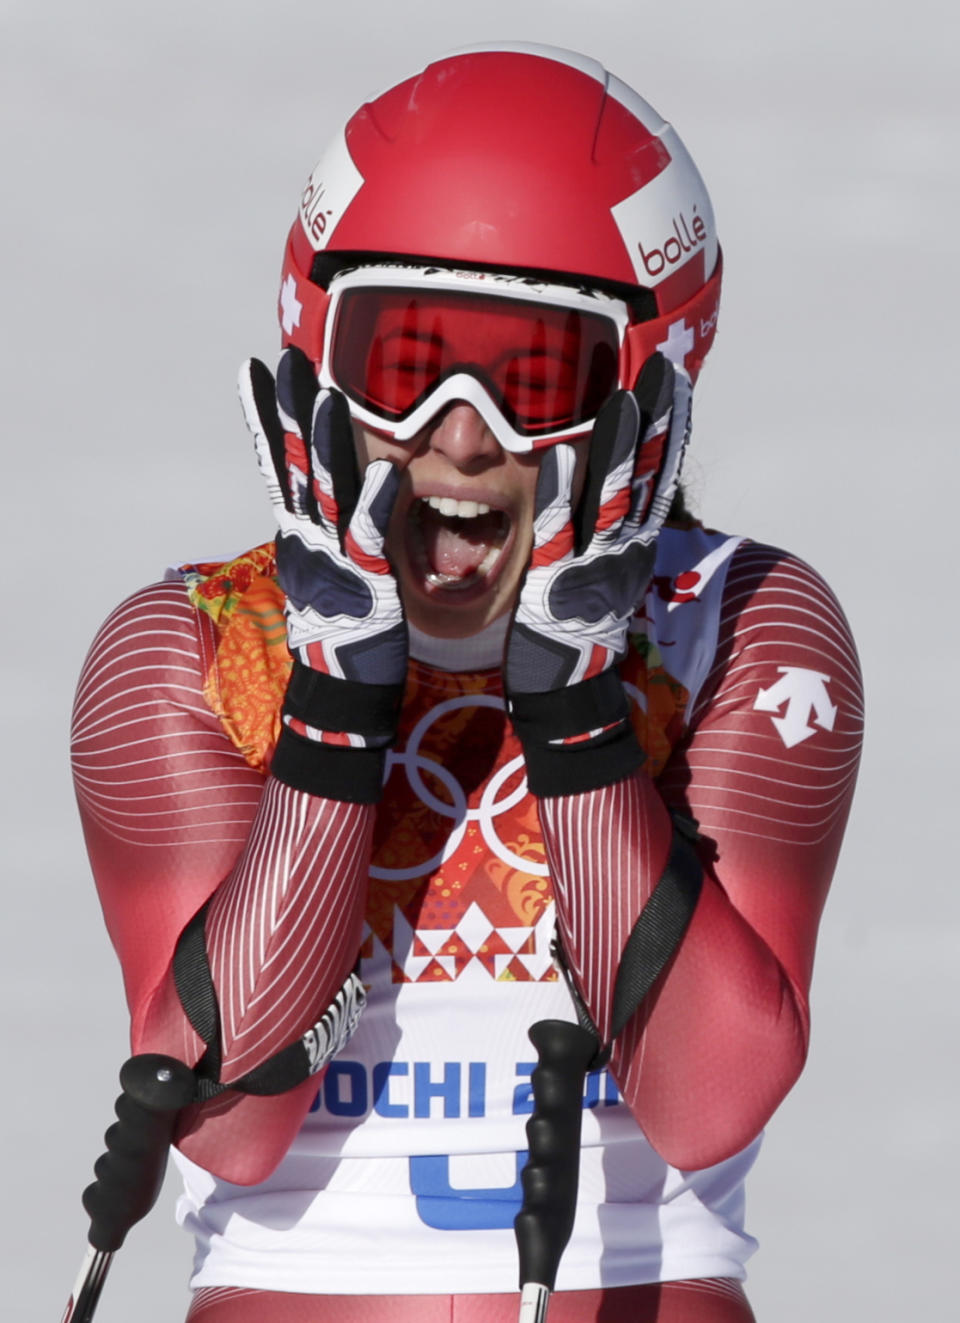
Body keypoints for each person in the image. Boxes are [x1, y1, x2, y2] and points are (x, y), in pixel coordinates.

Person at [71, 43, 863, 1323]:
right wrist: (333, 708)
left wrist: (579, 711)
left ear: (647, 395)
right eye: (408, 361)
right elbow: (227, 1121)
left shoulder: (739, 625)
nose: (460, 432)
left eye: (535, 377)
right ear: (315, 353)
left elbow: (710, 1099)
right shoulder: (196, 645)